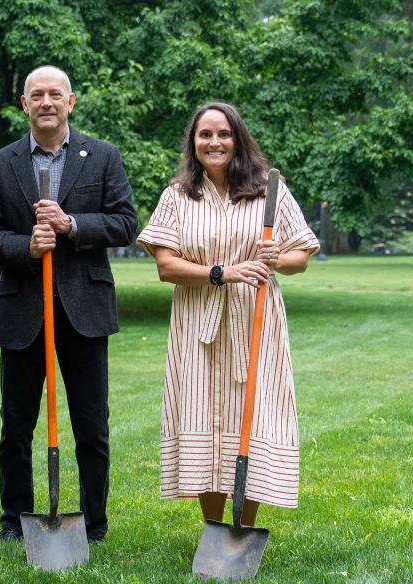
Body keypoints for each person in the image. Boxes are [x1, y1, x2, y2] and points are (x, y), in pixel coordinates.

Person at [136, 101, 318, 527]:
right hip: (198, 321)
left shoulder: (269, 190)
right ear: (193, 143)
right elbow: (166, 266)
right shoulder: (177, 196)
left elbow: (301, 256)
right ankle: (214, 529)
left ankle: (243, 527)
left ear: (238, 139)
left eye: (223, 134)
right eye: (205, 135)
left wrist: (277, 257)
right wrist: (221, 272)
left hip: (255, 320)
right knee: (202, 416)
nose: (214, 142)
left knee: (248, 420)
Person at [0, 66, 137, 543]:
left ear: (70, 102)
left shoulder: (103, 156)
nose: (46, 102)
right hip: (24, 306)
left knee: (92, 425)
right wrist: (25, 247)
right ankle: (15, 521)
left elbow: (126, 223)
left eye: (55, 95)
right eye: (36, 95)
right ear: (24, 105)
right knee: (16, 426)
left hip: (84, 309)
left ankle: (93, 523)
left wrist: (71, 225)